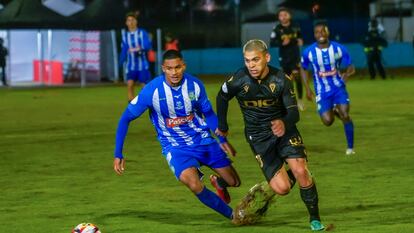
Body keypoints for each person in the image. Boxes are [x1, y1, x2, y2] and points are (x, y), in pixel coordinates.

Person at [113, 50, 241, 221]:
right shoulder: (152, 91)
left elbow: (209, 114)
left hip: (203, 141)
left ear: (184, 66)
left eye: (178, 67)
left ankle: (219, 183)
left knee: (234, 182)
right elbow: (125, 119)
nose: (174, 72)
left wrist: (222, 138)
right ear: (163, 69)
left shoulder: (195, 85)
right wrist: (118, 153)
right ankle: (233, 216)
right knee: (194, 184)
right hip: (175, 147)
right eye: (169, 68)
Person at [216, 39, 325, 231]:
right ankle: (294, 171)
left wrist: (283, 122)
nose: (251, 65)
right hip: (258, 137)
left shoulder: (281, 79)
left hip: (284, 131)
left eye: (256, 60)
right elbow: (222, 96)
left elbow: (294, 112)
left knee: (301, 172)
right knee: (282, 189)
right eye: (247, 60)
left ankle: (315, 219)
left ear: (267, 57)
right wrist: (223, 126)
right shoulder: (238, 79)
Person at [300, 21, 355, 155]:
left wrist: (347, 74)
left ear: (328, 32)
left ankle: (350, 148)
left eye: (323, 31)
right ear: (314, 35)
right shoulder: (309, 52)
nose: (321, 34)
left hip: (338, 88)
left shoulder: (339, 48)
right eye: (318, 32)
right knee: (328, 121)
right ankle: (335, 112)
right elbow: (303, 68)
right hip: (322, 91)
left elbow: (351, 67)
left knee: (346, 115)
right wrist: (307, 88)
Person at [270, 8, 305, 111]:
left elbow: (300, 37)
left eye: (285, 14)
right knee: (285, 81)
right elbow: (272, 43)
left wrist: (300, 41)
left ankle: (300, 101)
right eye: (281, 15)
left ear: (289, 15)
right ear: (279, 17)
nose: (283, 17)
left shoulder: (295, 26)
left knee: (297, 78)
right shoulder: (277, 28)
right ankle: (287, 101)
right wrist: (281, 43)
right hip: (284, 58)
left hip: (295, 57)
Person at [119, 11, 152, 102]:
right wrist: (120, 64)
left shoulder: (142, 33)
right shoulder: (125, 36)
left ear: (136, 21)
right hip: (131, 66)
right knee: (130, 85)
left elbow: (148, 45)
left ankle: (148, 102)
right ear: (126, 23)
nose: (131, 22)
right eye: (129, 20)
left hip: (143, 65)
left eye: (133, 20)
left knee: (145, 86)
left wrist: (139, 49)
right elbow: (124, 51)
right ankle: (132, 104)